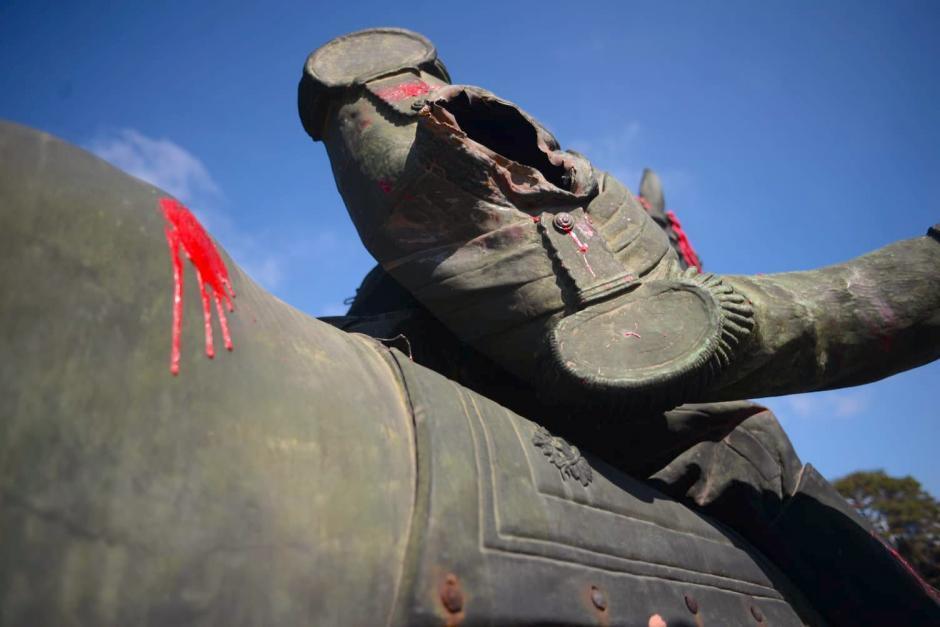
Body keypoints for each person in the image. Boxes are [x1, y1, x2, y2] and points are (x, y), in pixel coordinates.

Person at [303, 28, 940, 625]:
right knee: (751, 460)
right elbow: (632, 336)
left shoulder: (400, 237)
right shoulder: (449, 140)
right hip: (575, 380)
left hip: (435, 340)